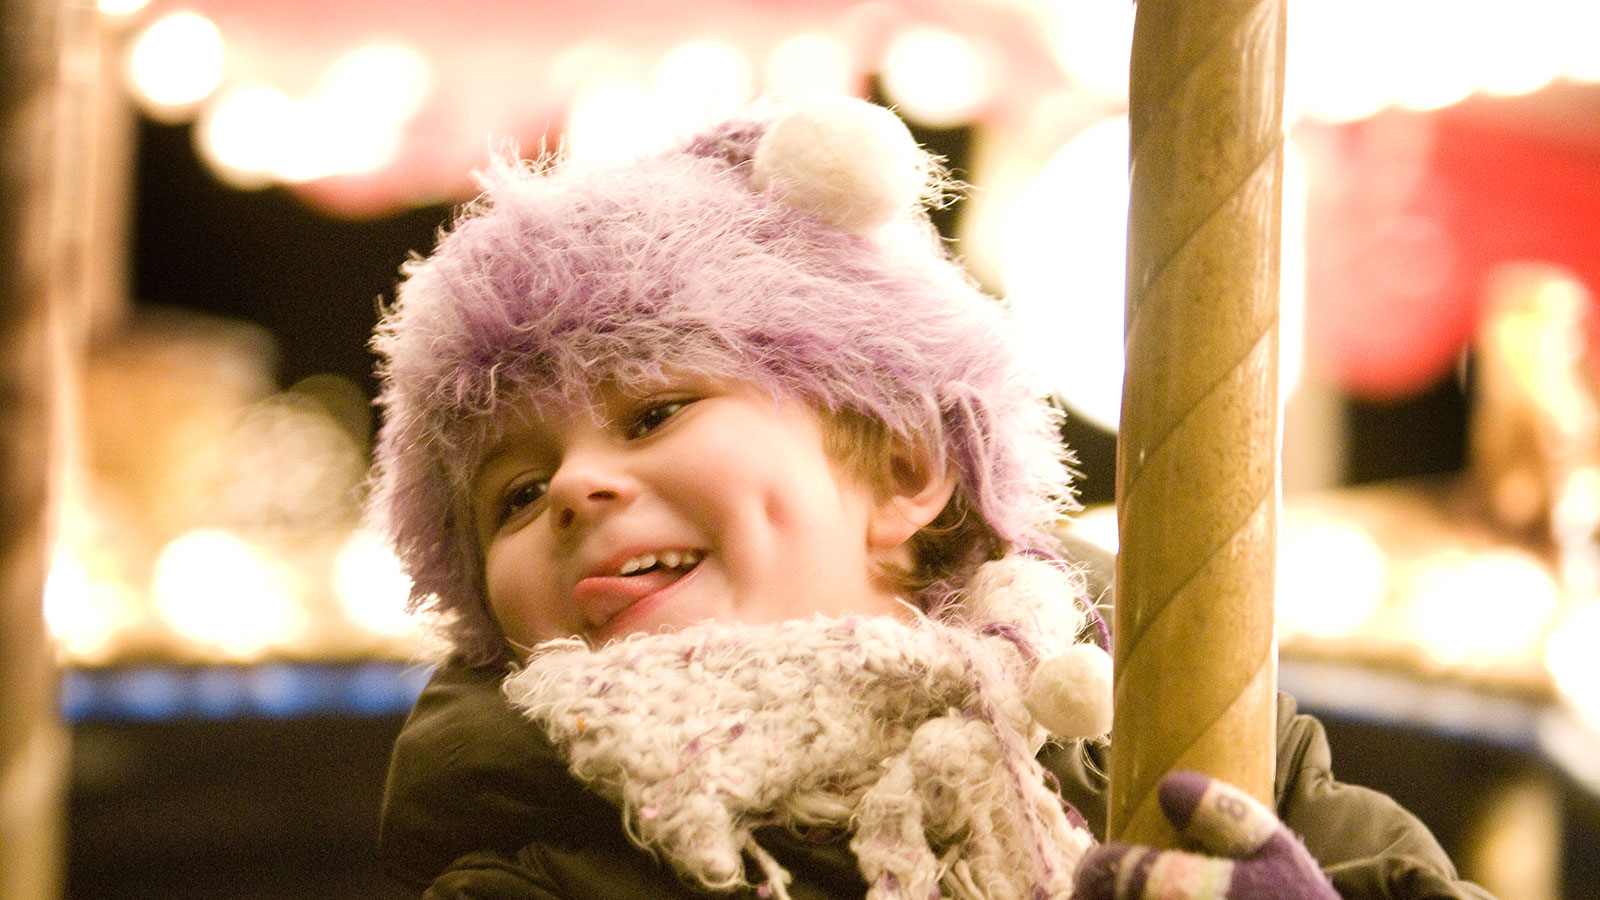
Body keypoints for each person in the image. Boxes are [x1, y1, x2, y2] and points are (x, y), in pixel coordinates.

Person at [369, 95, 1492, 900]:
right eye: (512, 495)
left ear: (905, 470)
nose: (571, 485)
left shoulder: (1198, 733)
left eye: (655, 413)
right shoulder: (532, 862)